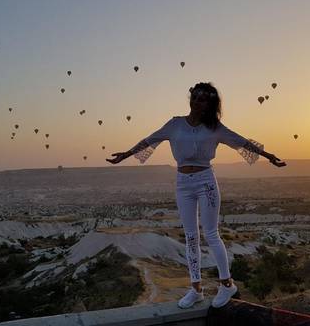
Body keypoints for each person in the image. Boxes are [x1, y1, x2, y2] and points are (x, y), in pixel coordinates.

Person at [106, 82, 286, 309]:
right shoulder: (175, 124)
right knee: (191, 236)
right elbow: (150, 139)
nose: (197, 101)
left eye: (203, 98)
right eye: (195, 96)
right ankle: (196, 289)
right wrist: (126, 154)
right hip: (183, 184)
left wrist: (269, 156)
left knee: (211, 233)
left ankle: (226, 284)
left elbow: (241, 141)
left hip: (205, 182)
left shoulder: (215, 128)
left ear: (209, 104)